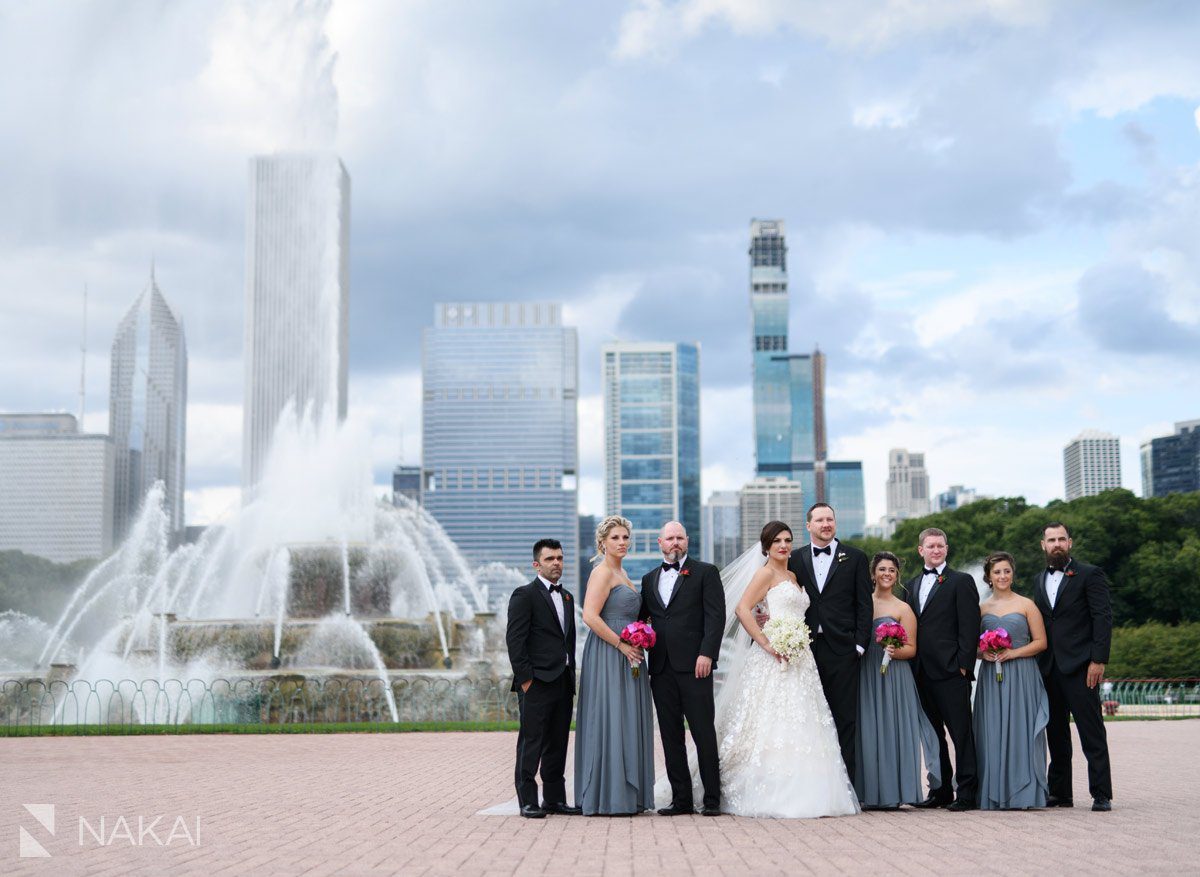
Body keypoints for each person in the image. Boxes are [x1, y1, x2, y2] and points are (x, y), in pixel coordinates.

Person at [708, 521, 859, 818]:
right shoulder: (764, 573)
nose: (783, 545)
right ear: (766, 546)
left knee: (804, 720)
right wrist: (765, 642)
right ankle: (768, 788)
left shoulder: (793, 574)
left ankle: (809, 788)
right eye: (776, 540)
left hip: (801, 658)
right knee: (770, 721)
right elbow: (742, 608)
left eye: (787, 540)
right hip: (773, 657)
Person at [640, 521, 725, 816]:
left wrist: (707, 654)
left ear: (687, 541)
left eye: (679, 538)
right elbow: (643, 620)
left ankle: (713, 799)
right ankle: (682, 800)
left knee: (703, 732)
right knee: (670, 734)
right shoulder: (649, 579)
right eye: (669, 538)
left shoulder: (706, 573)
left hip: (695, 667)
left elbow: (716, 618)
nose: (675, 543)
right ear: (659, 542)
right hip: (661, 669)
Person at [573, 516, 655, 815]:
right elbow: (590, 616)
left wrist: (642, 634)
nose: (622, 542)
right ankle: (607, 795)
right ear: (602, 543)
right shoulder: (602, 572)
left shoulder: (624, 574)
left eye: (625, 538)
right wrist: (621, 644)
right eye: (615, 538)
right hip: (609, 653)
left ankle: (629, 793)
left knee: (626, 717)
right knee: (610, 716)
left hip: (629, 654)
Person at [787, 502, 872, 785]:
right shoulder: (794, 559)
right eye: (820, 520)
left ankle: (848, 787)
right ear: (808, 525)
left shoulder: (856, 557)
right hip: (805, 650)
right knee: (808, 718)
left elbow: (864, 604)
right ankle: (814, 785)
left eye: (830, 519)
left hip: (843, 650)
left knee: (845, 719)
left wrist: (859, 645)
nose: (826, 524)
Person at [1033, 522, 1114, 812]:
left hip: (1081, 666)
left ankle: (1101, 793)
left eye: (1061, 539)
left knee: (1091, 732)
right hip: (1049, 669)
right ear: (1043, 545)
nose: (1056, 544)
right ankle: (1060, 793)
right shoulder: (1038, 579)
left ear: (1070, 542)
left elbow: (1102, 618)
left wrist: (1098, 659)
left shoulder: (1090, 575)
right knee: (1055, 733)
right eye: (1051, 540)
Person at [855, 551, 941, 809]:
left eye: (891, 570)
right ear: (873, 574)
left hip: (895, 675)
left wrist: (894, 650)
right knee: (867, 730)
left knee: (893, 730)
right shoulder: (862, 603)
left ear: (897, 575)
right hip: (866, 671)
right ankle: (867, 792)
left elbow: (912, 648)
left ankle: (894, 792)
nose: (887, 574)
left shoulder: (903, 608)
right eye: (882, 569)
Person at [905, 527, 980, 811]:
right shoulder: (910, 586)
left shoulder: (962, 581)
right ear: (920, 550)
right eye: (930, 546)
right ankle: (941, 790)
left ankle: (968, 792)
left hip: (951, 672)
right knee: (933, 735)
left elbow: (969, 627)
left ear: (946, 549)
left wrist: (963, 666)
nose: (936, 550)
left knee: (961, 733)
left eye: (940, 546)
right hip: (920, 672)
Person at [506, 539, 579, 818]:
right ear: (537, 564)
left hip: (562, 680)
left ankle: (554, 800)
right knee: (531, 742)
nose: (557, 563)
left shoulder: (568, 597)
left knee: (557, 742)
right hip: (536, 682)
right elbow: (515, 640)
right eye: (550, 559)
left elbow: (567, 640)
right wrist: (526, 680)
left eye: (560, 558)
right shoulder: (524, 595)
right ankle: (527, 801)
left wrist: (569, 672)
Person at [974, 551, 1049, 810]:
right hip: (991, 678)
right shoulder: (981, 608)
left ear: (1012, 574)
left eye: (1007, 571)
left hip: (1022, 675)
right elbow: (972, 647)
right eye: (997, 572)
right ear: (989, 577)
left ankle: (1024, 792)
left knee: (1021, 730)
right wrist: (986, 652)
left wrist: (1012, 653)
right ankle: (994, 791)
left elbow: (1041, 642)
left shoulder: (1026, 605)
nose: (1003, 576)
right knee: (992, 730)